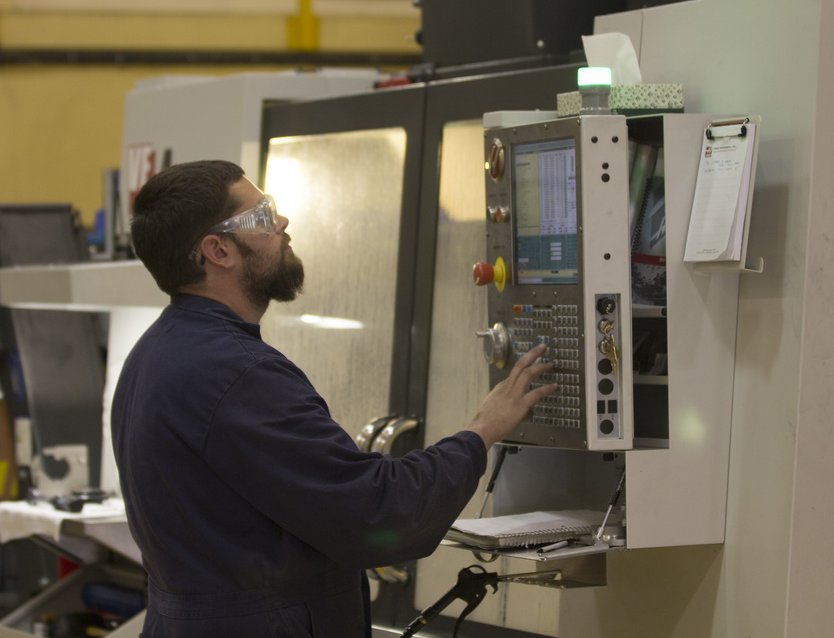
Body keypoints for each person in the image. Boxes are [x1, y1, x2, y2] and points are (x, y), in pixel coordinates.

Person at [111, 160, 557, 637]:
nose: (282, 223)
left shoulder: (153, 352)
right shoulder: (239, 374)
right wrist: (482, 430)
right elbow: (377, 514)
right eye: (262, 216)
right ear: (217, 250)